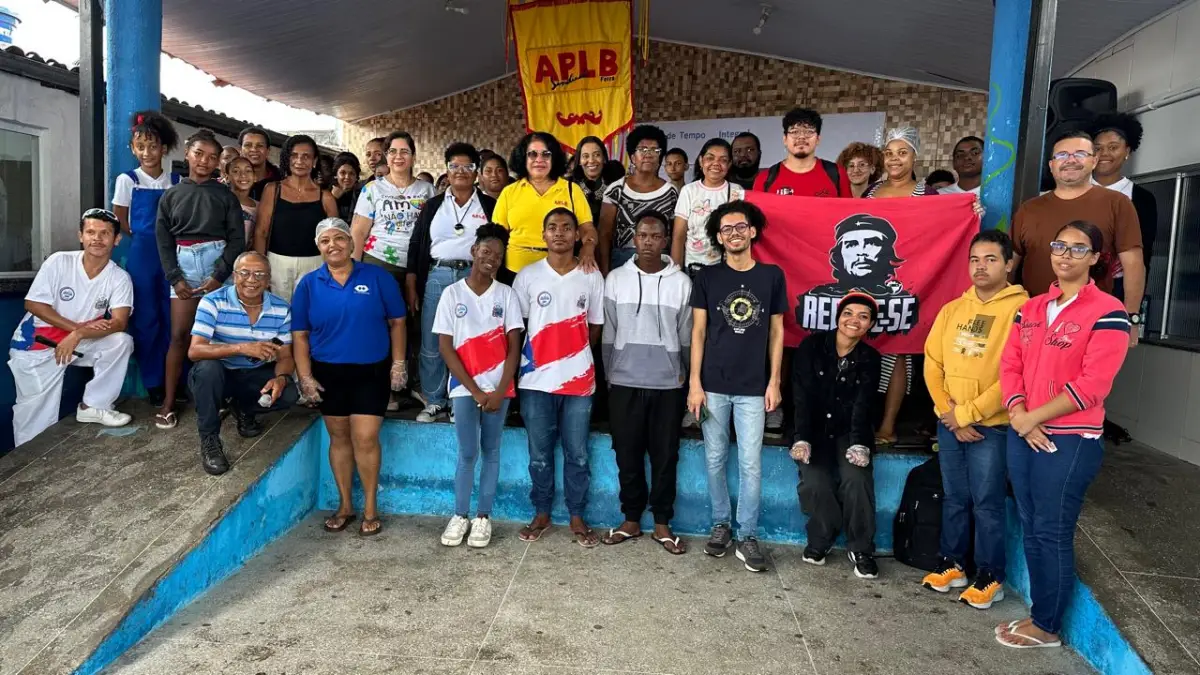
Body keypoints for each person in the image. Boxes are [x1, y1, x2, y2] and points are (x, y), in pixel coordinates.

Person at [996, 220, 1130, 649]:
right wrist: (1020, 413)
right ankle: (1041, 613)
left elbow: (1093, 385)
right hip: (1024, 431)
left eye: (1078, 248)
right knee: (1032, 527)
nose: (1065, 255)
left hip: (1069, 439)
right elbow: (1010, 365)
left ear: (1095, 258)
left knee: (1052, 530)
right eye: (1059, 246)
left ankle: (1047, 627)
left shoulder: (1109, 311)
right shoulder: (1033, 308)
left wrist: (1032, 418)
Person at [921, 230, 1028, 608]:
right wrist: (948, 414)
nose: (981, 267)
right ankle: (952, 564)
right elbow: (932, 363)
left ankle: (990, 576)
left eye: (991, 259)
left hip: (992, 427)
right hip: (950, 423)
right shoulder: (953, 309)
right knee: (955, 497)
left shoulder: (1023, 311)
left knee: (987, 503)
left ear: (1009, 264)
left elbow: (1015, 375)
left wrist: (967, 415)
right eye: (974, 260)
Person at [292, 218, 408, 537]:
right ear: (319, 247)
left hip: (371, 370)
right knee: (339, 438)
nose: (333, 245)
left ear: (352, 243)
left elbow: (398, 322)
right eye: (325, 240)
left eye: (340, 238)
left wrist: (398, 364)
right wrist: (305, 377)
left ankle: (370, 508)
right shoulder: (309, 284)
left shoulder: (377, 277)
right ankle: (345, 506)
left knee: (366, 438)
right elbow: (300, 335)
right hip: (328, 373)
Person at [687, 200, 786, 573]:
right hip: (712, 385)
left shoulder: (772, 276)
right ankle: (721, 525)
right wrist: (694, 383)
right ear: (718, 237)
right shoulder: (707, 277)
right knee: (715, 458)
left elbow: (777, 332)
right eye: (726, 229)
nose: (734, 234)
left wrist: (774, 381)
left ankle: (747, 534)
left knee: (750, 462)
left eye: (740, 227)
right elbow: (698, 332)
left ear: (753, 231)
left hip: (753, 388)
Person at [601, 211, 692, 554]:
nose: (649, 242)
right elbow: (608, 332)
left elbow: (686, 336)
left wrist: (684, 377)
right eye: (643, 235)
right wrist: (610, 373)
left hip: (667, 384)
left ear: (666, 240)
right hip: (624, 381)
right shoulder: (616, 279)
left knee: (666, 455)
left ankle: (662, 523)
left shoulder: (681, 283)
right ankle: (631, 519)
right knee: (627, 453)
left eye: (656, 236)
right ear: (634, 239)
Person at [512, 208, 604, 547]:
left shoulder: (591, 275)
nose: (560, 233)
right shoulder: (528, 276)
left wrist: (573, 356)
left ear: (577, 235)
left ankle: (577, 515)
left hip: (579, 381)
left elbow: (595, 326)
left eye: (567, 227)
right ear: (544, 235)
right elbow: (518, 327)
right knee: (539, 454)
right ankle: (542, 513)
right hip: (535, 381)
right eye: (553, 227)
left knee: (577, 453)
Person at [8, 209, 134, 446]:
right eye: (91, 232)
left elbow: (119, 322)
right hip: (37, 344)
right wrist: (75, 329)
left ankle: (94, 406)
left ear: (116, 239)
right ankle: (28, 463)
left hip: (78, 342)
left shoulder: (118, 277)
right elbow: (33, 304)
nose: (97, 238)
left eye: (105, 233)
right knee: (36, 421)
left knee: (120, 342)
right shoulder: (59, 261)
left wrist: (79, 334)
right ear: (80, 236)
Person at [1011, 131, 1144, 350]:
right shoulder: (1029, 209)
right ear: (1052, 165)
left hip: (1091, 325)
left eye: (1080, 154)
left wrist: (1131, 318)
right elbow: (1010, 265)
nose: (1070, 160)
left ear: (1094, 161)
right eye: (1062, 155)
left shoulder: (1117, 203)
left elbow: (1134, 264)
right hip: (1031, 323)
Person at [433, 225, 523, 548]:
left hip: (499, 389)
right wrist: (476, 391)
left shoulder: (506, 295)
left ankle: (483, 517)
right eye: (486, 252)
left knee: (492, 450)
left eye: (498, 256)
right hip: (464, 388)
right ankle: (460, 515)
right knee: (468, 452)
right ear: (474, 251)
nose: (491, 259)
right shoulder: (452, 294)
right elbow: (446, 347)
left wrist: (499, 391)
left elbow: (514, 347)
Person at [155, 129, 246, 430]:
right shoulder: (171, 195)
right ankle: (169, 403)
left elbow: (237, 239)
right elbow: (163, 240)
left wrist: (220, 275)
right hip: (183, 265)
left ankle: (218, 400)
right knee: (180, 335)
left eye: (212, 157)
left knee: (220, 336)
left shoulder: (225, 196)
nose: (204, 161)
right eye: (199, 154)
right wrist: (175, 278)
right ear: (187, 154)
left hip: (218, 262)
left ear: (219, 162)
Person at [789, 293, 881, 579]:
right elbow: (801, 396)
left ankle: (861, 548)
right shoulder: (812, 346)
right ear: (838, 317)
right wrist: (802, 437)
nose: (854, 320)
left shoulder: (870, 358)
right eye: (848, 313)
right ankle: (822, 538)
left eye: (863, 317)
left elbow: (864, 405)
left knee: (857, 478)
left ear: (870, 325)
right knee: (815, 481)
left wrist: (859, 444)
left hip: (848, 431)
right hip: (813, 430)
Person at [406, 142, 497, 423]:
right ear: (446, 170)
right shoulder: (433, 205)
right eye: (454, 166)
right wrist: (412, 282)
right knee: (433, 339)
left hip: (475, 277)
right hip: (438, 275)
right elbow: (416, 244)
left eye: (467, 166)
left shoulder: (489, 205)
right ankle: (435, 400)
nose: (461, 171)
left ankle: (462, 400)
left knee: (469, 340)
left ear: (476, 172)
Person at [187, 252, 299, 475]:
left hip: (252, 373)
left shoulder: (281, 308)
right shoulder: (213, 302)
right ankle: (210, 440)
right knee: (208, 369)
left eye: (259, 274)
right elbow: (195, 351)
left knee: (288, 393)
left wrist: (281, 378)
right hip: (219, 375)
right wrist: (241, 348)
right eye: (245, 273)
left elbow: (286, 356)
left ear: (268, 279)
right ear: (234, 275)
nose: (251, 280)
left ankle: (244, 408)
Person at [863, 127, 937, 447]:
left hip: (908, 280)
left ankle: (888, 425)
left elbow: (940, 231)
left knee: (898, 352)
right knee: (863, 348)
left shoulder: (927, 194)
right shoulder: (871, 192)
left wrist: (970, 211)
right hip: (867, 279)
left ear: (914, 157)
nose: (895, 159)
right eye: (889, 153)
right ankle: (862, 419)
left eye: (902, 152)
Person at [111, 110, 179, 406]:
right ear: (133, 149)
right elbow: (120, 220)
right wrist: (143, 236)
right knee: (146, 318)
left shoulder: (175, 181)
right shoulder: (127, 180)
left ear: (164, 148)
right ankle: (153, 381)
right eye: (141, 147)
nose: (147, 152)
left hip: (173, 255)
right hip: (142, 254)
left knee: (172, 317)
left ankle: (175, 379)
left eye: (153, 146)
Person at [493, 132, 597, 278]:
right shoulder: (509, 192)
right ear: (523, 158)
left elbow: (587, 228)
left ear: (554, 158)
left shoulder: (571, 190)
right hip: (515, 271)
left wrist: (588, 247)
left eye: (546, 154)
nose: (539, 160)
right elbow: (497, 235)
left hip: (560, 269)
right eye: (532, 154)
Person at [254, 134, 338, 303]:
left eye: (306, 156)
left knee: (309, 313)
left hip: (315, 264)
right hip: (276, 263)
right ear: (288, 159)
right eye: (294, 155)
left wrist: (333, 271)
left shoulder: (326, 197)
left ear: (314, 161)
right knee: (277, 311)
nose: (300, 161)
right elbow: (261, 232)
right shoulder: (272, 189)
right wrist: (260, 269)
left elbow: (334, 239)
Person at [351, 131, 436, 280]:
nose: (398, 156)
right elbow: (358, 232)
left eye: (404, 151)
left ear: (413, 157)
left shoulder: (428, 190)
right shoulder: (372, 188)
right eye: (392, 151)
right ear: (387, 157)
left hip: (418, 263)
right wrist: (354, 270)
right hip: (378, 261)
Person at [1089, 113, 1158, 297]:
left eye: (1113, 147)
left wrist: (1133, 305)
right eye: (1098, 148)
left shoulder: (1142, 199)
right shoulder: (1075, 189)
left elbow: (1143, 257)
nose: (1104, 153)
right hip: (1071, 282)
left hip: (1116, 289)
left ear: (1127, 151)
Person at [599, 125, 678, 274]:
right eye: (642, 149)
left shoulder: (671, 192)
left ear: (660, 157)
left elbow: (675, 237)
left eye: (654, 150)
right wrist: (605, 272)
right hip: (622, 263)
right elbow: (604, 235)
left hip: (660, 263)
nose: (648, 154)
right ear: (632, 157)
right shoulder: (616, 190)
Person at [671, 138, 745, 272]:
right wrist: (676, 273)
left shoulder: (737, 191)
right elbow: (678, 236)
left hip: (727, 268)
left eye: (723, 160)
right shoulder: (689, 191)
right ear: (701, 161)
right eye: (710, 158)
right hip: (693, 268)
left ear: (729, 164)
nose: (716, 163)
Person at [754, 108, 851, 198]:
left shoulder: (837, 174)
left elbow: (848, 210)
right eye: (794, 132)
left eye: (809, 132)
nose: (801, 137)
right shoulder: (765, 179)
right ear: (785, 139)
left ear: (818, 139)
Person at [571, 135, 623, 224]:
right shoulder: (570, 186)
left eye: (597, 155)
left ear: (604, 158)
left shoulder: (617, 184)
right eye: (585, 156)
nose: (591, 160)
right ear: (579, 161)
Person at [224, 156, 258, 248]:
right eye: (236, 171)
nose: (243, 175)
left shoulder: (259, 207)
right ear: (227, 177)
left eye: (248, 171)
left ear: (255, 177)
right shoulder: (220, 202)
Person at [240, 126, 280, 200]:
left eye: (260, 145)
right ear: (240, 150)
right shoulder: (231, 181)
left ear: (268, 151)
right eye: (248, 145)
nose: (254, 149)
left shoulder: (281, 182)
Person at [331, 152, 362, 222]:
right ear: (335, 175)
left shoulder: (363, 195)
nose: (347, 177)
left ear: (356, 177)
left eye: (351, 173)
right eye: (342, 173)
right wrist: (332, 199)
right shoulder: (326, 194)